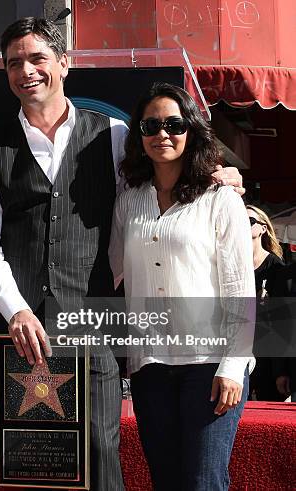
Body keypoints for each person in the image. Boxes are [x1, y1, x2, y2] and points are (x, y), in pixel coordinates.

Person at [0, 18, 244, 490]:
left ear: (64, 64)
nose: (26, 70)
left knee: (100, 460)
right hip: (25, 336)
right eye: (15, 63)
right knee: (37, 469)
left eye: (37, 58)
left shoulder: (114, 136)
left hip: (95, 331)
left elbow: (155, 193)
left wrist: (216, 178)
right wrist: (16, 311)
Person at [109, 82, 255, 490]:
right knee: (166, 481)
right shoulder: (128, 201)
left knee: (203, 481)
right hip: (149, 365)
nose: (162, 134)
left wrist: (233, 366)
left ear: (190, 129)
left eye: (174, 124)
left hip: (210, 364)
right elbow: (113, 271)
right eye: (151, 125)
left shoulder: (219, 198)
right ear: (138, 135)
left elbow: (239, 285)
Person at [246, 205, 287, 401]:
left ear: (263, 228)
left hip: (266, 355)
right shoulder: (231, 264)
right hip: (236, 349)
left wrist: (281, 370)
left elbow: (283, 321)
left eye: (250, 221)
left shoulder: (276, 268)